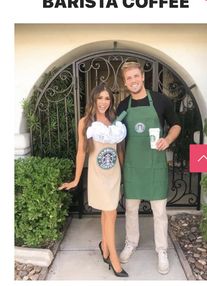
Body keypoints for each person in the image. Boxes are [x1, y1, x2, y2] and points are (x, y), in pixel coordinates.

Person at [117, 62, 181, 275]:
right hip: (133, 166)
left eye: (136, 76)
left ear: (142, 77)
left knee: (159, 211)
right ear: (125, 83)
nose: (133, 81)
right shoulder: (123, 106)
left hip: (155, 165)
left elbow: (176, 124)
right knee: (131, 209)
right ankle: (131, 243)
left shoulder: (161, 101)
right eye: (129, 79)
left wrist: (168, 139)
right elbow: (116, 136)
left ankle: (162, 250)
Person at [59, 84, 128, 278]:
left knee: (108, 212)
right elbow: (81, 151)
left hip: (113, 174)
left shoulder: (115, 121)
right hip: (98, 176)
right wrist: (76, 179)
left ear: (111, 101)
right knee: (111, 212)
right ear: (93, 100)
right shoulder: (85, 122)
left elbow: (120, 150)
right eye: (100, 98)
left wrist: (124, 172)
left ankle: (104, 245)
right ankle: (113, 256)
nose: (103, 102)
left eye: (107, 98)